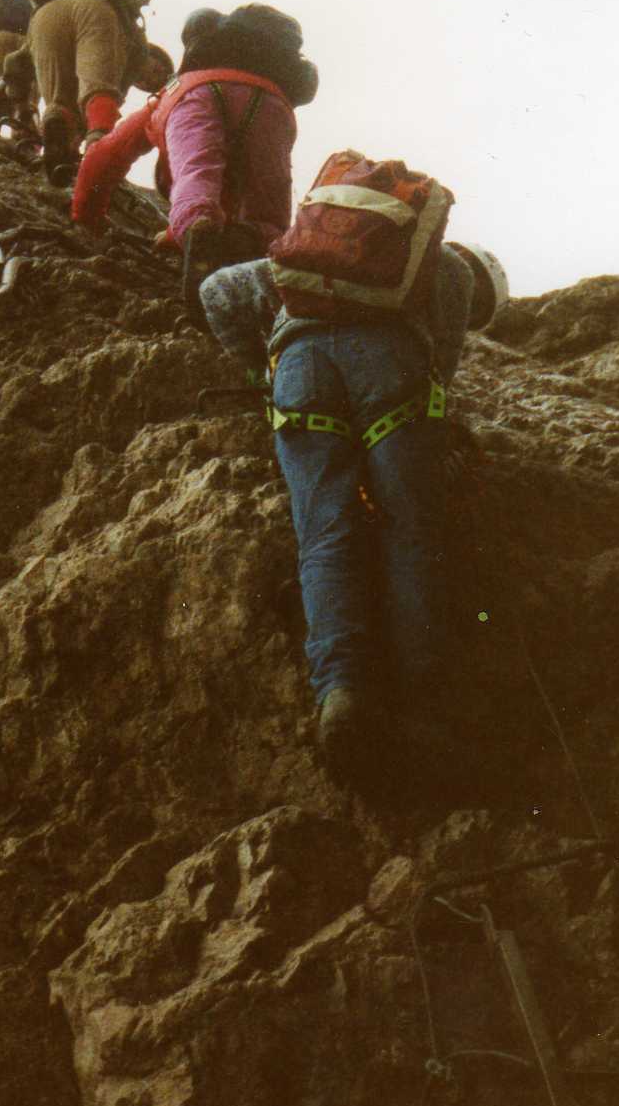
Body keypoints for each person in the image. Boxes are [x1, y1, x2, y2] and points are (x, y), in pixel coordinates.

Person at [197, 213, 509, 782]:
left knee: (323, 535)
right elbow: (442, 368)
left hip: (299, 368)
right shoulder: (453, 268)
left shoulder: (324, 253)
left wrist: (261, 373)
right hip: (391, 369)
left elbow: (215, 291)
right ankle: (423, 706)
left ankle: (341, 691)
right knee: (409, 531)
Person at [69, 4, 317, 314]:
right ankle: (258, 265)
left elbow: (106, 155)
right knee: (268, 209)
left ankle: (197, 222)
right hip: (271, 103)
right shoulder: (271, 80)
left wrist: (86, 216)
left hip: (195, 96)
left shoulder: (179, 86)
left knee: (196, 173)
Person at [24, 0, 157, 182]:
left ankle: (57, 124)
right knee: (99, 89)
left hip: (43, 17)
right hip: (96, 10)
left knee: (59, 99)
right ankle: (99, 153)